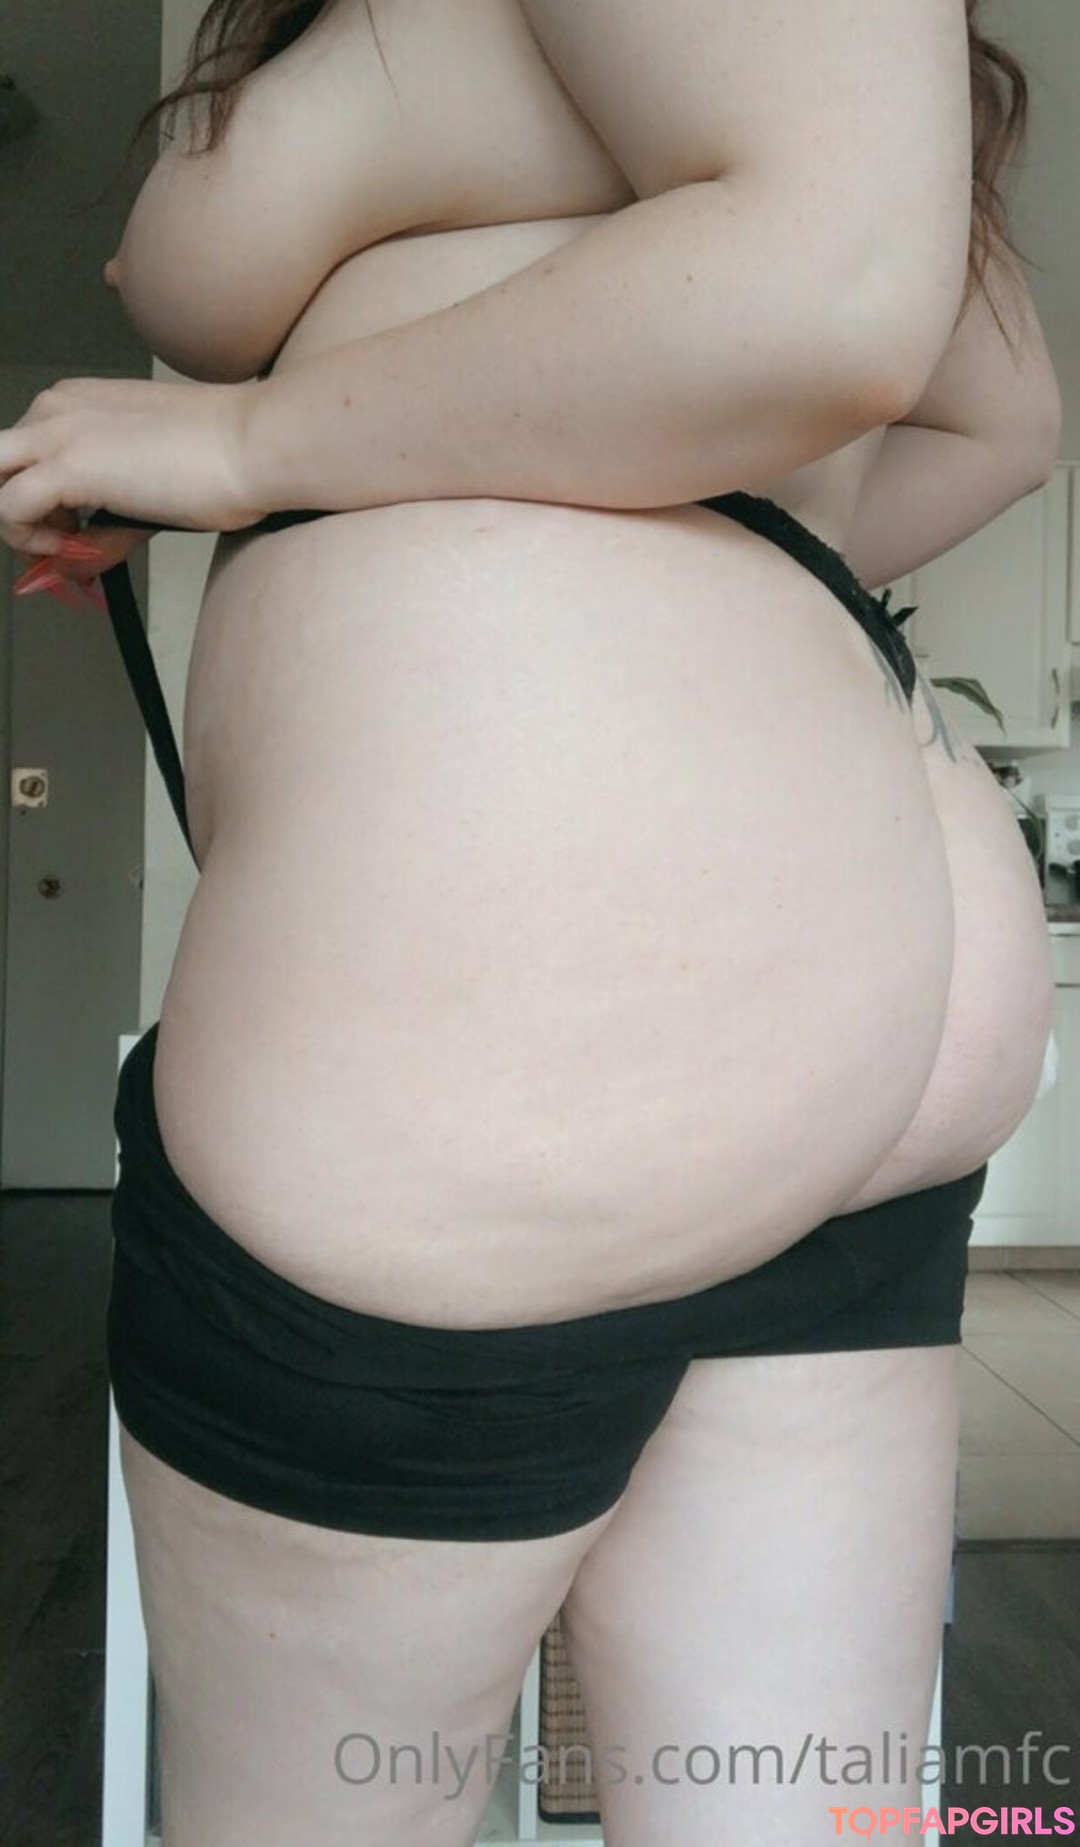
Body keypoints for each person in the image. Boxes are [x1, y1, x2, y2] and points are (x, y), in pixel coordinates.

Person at [0, 2, 1062, 1842]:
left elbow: (832, 287)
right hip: (828, 995)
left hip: (518, 1035)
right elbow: (1001, 417)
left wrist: (261, 449)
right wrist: (668, 577)